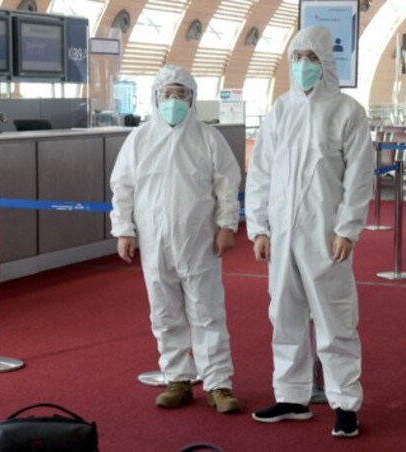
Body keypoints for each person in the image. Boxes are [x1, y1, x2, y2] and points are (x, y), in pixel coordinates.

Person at [244, 26, 374, 437]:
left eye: (311, 58)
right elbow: (261, 171)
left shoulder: (347, 111)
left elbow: (358, 177)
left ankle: (345, 404)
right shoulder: (280, 110)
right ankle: (291, 395)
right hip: (281, 234)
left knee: (335, 319)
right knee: (283, 315)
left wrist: (347, 228)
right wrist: (259, 227)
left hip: (324, 233)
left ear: (326, 63)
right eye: (297, 57)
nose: (303, 65)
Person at [110, 65, 242, 414]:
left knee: (207, 312)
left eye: (180, 94)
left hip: (199, 239)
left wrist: (226, 225)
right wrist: (124, 229)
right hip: (154, 242)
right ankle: (178, 379)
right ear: (155, 98)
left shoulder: (208, 138)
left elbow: (227, 184)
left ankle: (218, 384)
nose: (173, 101)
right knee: (165, 312)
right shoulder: (139, 139)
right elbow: (123, 187)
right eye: (166, 94)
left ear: (192, 98)